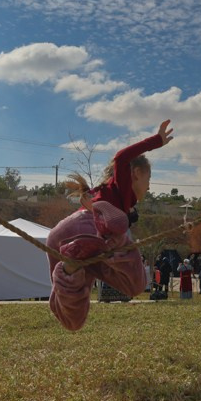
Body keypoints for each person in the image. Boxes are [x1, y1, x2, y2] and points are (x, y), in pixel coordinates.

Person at [45, 119, 173, 330]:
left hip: (62, 235)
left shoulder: (105, 190)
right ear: (137, 173)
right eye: (149, 179)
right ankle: (108, 227)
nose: (149, 187)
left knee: (72, 319)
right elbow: (122, 157)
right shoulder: (121, 185)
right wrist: (155, 141)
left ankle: (69, 268)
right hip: (92, 226)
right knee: (137, 283)